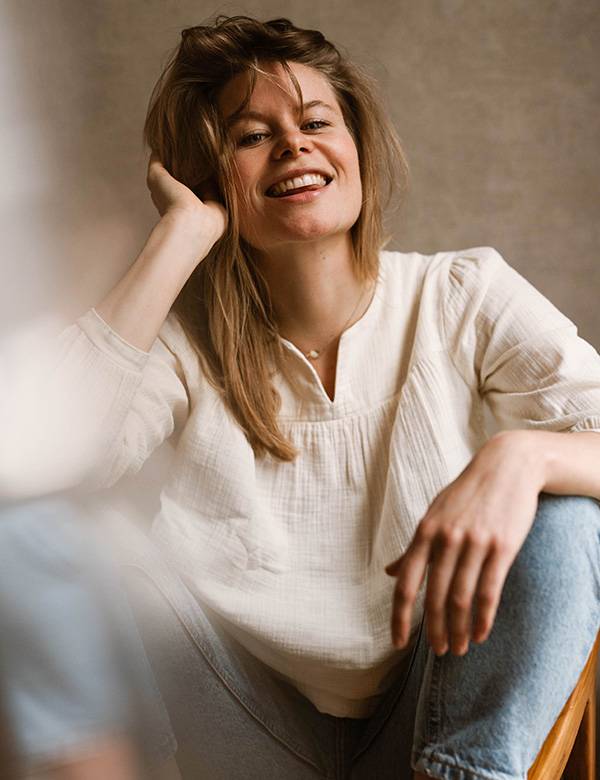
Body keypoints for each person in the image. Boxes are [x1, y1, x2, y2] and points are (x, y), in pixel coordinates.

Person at [26, 15, 600, 780]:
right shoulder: (183, 344)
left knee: (566, 511)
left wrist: (522, 454)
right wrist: (179, 237)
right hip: (237, 725)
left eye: (315, 121)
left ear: (355, 146)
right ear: (211, 175)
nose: (293, 144)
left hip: (430, 715)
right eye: (250, 136)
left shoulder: (462, 294)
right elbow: (41, 465)